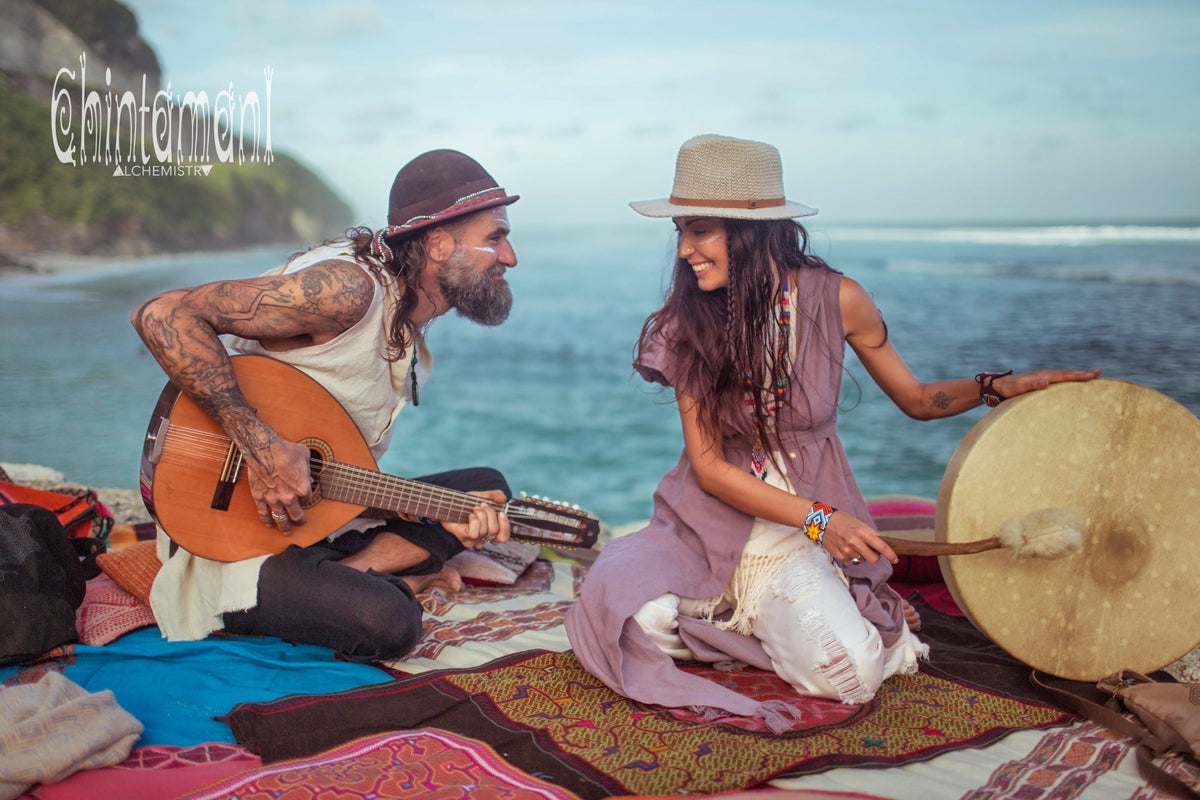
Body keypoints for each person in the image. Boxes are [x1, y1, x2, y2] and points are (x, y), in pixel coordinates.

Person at [565, 134, 1101, 728]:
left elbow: (919, 401)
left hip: (793, 541)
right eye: (681, 232)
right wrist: (826, 520)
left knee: (850, 675)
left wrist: (998, 386)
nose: (686, 249)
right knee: (616, 617)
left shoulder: (839, 299)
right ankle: (749, 619)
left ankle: (780, 618)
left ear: (753, 231)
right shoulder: (686, 320)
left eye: (700, 230)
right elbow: (712, 469)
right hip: (706, 526)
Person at [131, 149, 520, 662]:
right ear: (439, 244)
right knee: (390, 622)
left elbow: (336, 467)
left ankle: (354, 570)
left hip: (310, 518)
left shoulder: (407, 320)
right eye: (495, 238)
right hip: (228, 533)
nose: (510, 257)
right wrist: (264, 449)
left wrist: (431, 508)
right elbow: (163, 315)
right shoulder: (350, 289)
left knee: (483, 491)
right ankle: (363, 578)